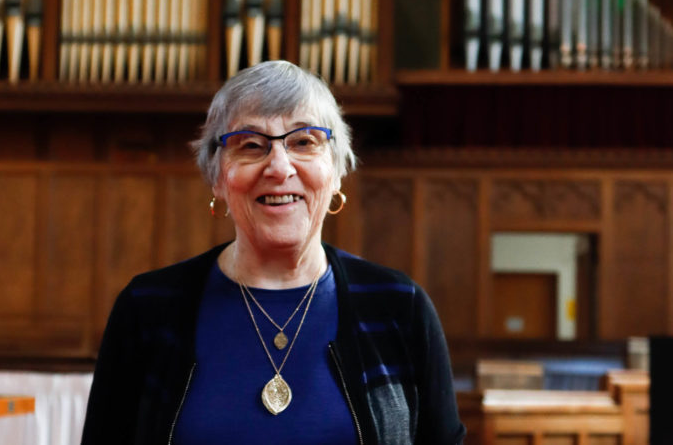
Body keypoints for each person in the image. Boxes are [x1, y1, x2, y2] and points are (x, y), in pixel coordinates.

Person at [80, 60, 464, 444]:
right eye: (250, 145)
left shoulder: (399, 306)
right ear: (217, 178)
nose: (279, 167)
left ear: (336, 171)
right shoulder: (147, 308)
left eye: (303, 141)